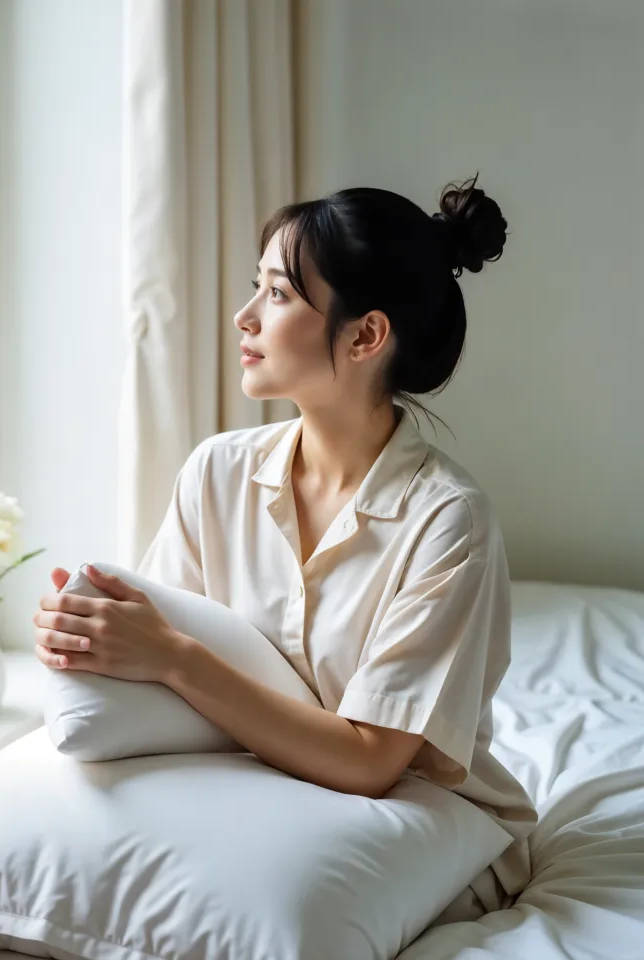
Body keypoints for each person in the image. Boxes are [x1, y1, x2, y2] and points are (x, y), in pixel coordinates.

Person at [32, 175, 538, 914]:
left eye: (277, 294)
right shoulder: (218, 471)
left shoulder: (448, 523)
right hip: (260, 789)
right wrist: (92, 637)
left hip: (418, 817)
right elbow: (161, 659)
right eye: (257, 287)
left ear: (366, 335)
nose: (244, 317)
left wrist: (171, 656)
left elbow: (371, 762)